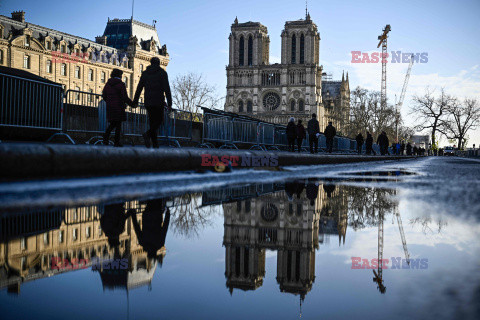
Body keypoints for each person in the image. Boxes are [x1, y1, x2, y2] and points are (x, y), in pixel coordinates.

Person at [133, 57, 172, 148]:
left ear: (150, 63)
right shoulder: (162, 73)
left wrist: (135, 101)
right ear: (158, 63)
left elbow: (139, 88)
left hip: (148, 101)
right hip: (158, 101)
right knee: (159, 121)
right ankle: (148, 134)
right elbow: (167, 88)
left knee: (152, 122)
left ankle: (155, 144)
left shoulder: (145, 73)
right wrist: (169, 103)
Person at [102, 68, 134, 147]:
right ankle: (116, 142)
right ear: (119, 75)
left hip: (110, 107)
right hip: (119, 106)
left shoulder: (107, 84)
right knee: (118, 125)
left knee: (112, 124)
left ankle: (105, 139)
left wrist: (109, 102)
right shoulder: (121, 84)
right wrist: (132, 104)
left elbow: (104, 95)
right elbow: (125, 97)